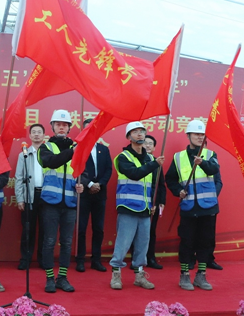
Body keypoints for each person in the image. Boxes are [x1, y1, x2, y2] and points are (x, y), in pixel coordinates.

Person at [109, 122, 164, 290]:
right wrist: (155, 163)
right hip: (128, 206)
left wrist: (153, 203)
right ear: (128, 137)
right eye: (135, 132)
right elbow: (134, 174)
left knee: (143, 244)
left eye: (142, 131)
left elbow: (153, 184)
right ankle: (116, 274)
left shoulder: (149, 158)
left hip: (146, 208)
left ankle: (139, 275)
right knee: (123, 243)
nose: (140, 134)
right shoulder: (123, 157)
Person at [165, 119, 220, 291]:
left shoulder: (211, 155)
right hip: (189, 208)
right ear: (188, 136)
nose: (198, 137)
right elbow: (170, 179)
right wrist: (177, 191)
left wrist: (202, 162)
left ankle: (201, 276)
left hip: (208, 208)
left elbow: (214, 170)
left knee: (206, 242)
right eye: (195, 134)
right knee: (187, 242)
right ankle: (185, 275)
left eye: (201, 134)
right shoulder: (178, 157)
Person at [38, 109, 84, 293]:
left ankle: (62, 278)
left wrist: (83, 184)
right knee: (49, 241)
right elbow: (52, 162)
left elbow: (83, 171)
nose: (62, 127)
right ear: (52, 126)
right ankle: (49, 278)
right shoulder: (45, 147)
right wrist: (72, 151)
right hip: (50, 202)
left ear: (69, 127)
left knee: (66, 242)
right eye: (58, 124)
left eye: (65, 125)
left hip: (71, 203)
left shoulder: (77, 147)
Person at [76, 118, 112, 273]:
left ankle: (96, 260)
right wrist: (89, 184)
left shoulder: (104, 149)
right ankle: (80, 260)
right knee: (81, 228)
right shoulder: (78, 148)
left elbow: (109, 170)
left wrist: (100, 184)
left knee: (98, 228)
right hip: (83, 193)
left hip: (100, 193)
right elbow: (76, 170)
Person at [129, 134, 166, 270]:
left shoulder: (158, 163)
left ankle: (150, 258)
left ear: (154, 147)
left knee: (151, 231)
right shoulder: (135, 161)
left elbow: (162, 184)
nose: (148, 145)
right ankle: (135, 259)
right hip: (137, 202)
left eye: (151, 143)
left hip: (153, 202)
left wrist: (161, 201)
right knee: (134, 231)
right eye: (146, 143)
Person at [15, 123, 46, 270]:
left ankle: (43, 259)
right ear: (30, 135)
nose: (36, 134)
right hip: (29, 196)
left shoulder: (49, 153)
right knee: (28, 229)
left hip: (47, 196)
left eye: (39, 132)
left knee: (46, 230)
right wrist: (20, 198)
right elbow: (18, 178)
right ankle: (25, 259)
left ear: (44, 135)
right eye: (34, 132)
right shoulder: (24, 154)